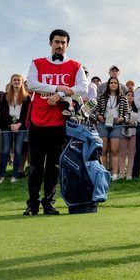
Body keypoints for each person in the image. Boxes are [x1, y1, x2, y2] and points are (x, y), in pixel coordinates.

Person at [24, 29, 89, 215]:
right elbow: (31, 84)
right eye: (56, 42)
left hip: (60, 123)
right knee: (35, 166)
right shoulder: (37, 63)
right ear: (50, 43)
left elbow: (83, 88)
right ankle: (32, 204)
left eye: (63, 42)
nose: (60, 46)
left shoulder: (75, 66)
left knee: (54, 166)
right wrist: (58, 87)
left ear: (67, 45)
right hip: (37, 121)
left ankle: (49, 203)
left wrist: (59, 94)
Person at [94, 76, 129, 180]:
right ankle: (103, 173)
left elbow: (127, 113)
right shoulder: (102, 97)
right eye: (111, 83)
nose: (113, 84)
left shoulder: (123, 98)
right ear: (108, 84)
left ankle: (114, 174)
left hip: (116, 124)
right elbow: (96, 110)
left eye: (115, 83)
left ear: (118, 85)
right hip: (103, 123)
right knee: (103, 150)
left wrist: (122, 118)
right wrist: (98, 116)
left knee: (114, 151)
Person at [0, 74, 31, 183]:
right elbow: (3, 111)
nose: (16, 82)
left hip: (21, 126)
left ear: (22, 82)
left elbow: (26, 113)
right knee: (5, 150)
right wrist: (10, 124)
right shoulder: (5, 95)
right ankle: (2, 176)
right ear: (11, 82)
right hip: (7, 125)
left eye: (18, 80)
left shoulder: (27, 97)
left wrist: (19, 124)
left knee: (18, 150)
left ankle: (14, 176)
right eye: (14, 80)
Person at [117, 90, 138, 179]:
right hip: (123, 131)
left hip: (133, 132)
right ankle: (121, 173)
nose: (130, 97)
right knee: (122, 153)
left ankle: (129, 173)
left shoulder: (137, 108)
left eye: (132, 95)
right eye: (128, 95)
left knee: (131, 153)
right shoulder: (120, 107)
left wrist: (134, 122)